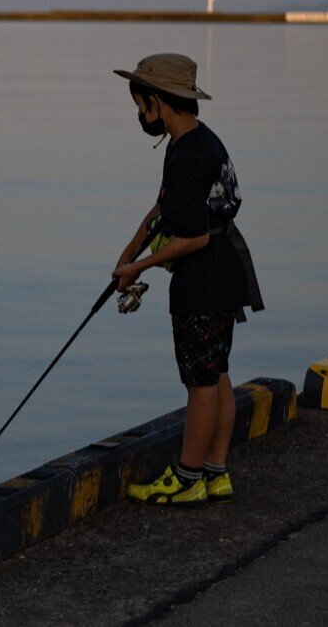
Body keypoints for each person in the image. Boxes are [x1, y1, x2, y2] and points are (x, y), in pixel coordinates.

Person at [110, 53, 263, 507]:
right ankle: (216, 473)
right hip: (226, 272)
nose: (139, 115)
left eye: (141, 105)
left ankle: (187, 476)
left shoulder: (185, 155)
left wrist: (138, 269)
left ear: (157, 102)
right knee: (217, 375)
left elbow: (192, 237)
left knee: (199, 382)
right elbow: (164, 210)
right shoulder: (200, 142)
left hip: (202, 279)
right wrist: (128, 253)